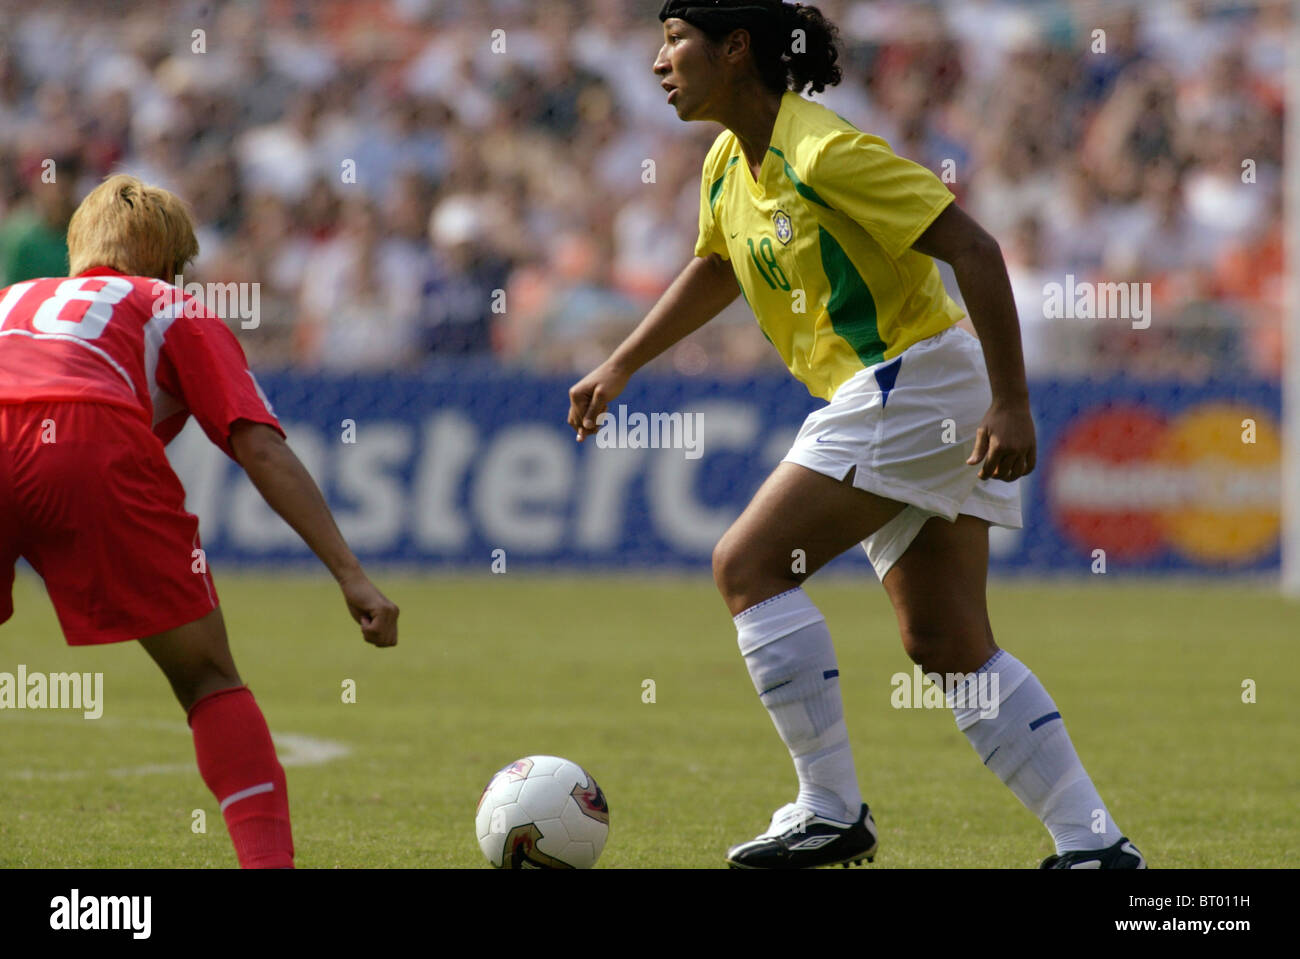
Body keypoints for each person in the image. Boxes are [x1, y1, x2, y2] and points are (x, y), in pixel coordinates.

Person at [567, 0, 1144, 870]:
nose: (658, 60)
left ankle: (830, 810)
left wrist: (1014, 402)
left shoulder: (823, 150)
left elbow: (977, 249)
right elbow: (717, 264)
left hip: (913, 378)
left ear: (734, 50)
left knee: (747, 564)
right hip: (900, 387)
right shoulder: (729, 162)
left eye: (675, 40)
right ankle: (1094, 843)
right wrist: (622, 363)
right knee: (946, 640)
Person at [0, 174, 399, 868]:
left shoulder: (10, 300)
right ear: (168, 264)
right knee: (209, 679)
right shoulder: (166, 303)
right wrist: (351, 573)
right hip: (91, 436)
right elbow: (259, 447)